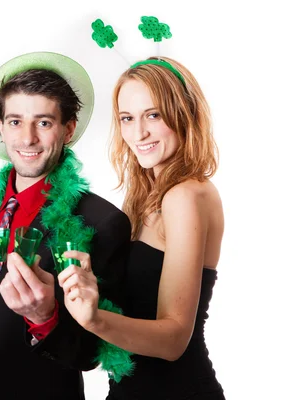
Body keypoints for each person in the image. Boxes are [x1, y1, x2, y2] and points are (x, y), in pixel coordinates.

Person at [0, 52, 133, 400]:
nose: (27, 139)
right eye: (14, 122)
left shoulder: (103, 222)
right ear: (0, 127)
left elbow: (91, 353)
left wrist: (45, 316)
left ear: (68, 129)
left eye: (43, 122)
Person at [58, 57, 225, 399]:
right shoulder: (144, 196)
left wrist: (94, 319)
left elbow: (175, 340)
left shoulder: (185, 196)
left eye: (154, 115)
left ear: (183, 113)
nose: (139, 133)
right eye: (127, 119)